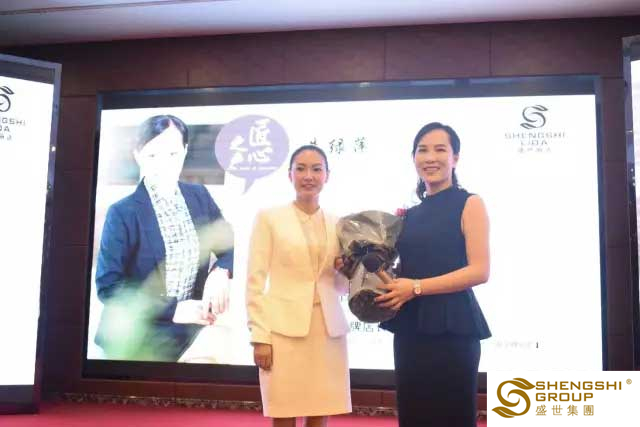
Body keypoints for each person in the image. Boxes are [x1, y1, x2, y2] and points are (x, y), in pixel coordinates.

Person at [376, 122, 491, 427]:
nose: (430, 157)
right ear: (413, 157)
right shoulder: (409, 214)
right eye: (422, 150)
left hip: (454, 327)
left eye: (440, 149)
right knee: (413, 413)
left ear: (455, 158)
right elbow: (399, 269)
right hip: (410, 326)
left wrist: (416, 287)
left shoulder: (470, 203)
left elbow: (480, 270)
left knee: (452, 414)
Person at [94, 114, 234, 362]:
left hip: (190, 332)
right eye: (152, 155)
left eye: (172, 154)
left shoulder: (199, 196)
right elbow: (109, 286)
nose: (163, 164)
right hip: (136, 338)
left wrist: (221, 271)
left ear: (185, 151)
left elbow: (229, 243)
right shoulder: (122, 212)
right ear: (138, 155)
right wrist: (174, 309)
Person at [246, 145, 351, 427]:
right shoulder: (269, 218)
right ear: (289, 174)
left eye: (317, 169)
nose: (309, 176)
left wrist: (346, 271)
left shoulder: (339, 224)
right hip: (283, 330)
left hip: (328, 330)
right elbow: (255, 281)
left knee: (321, 407)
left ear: (327, 175)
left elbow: (340, 286)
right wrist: (260, 336)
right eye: (301, 169)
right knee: (284, 409)